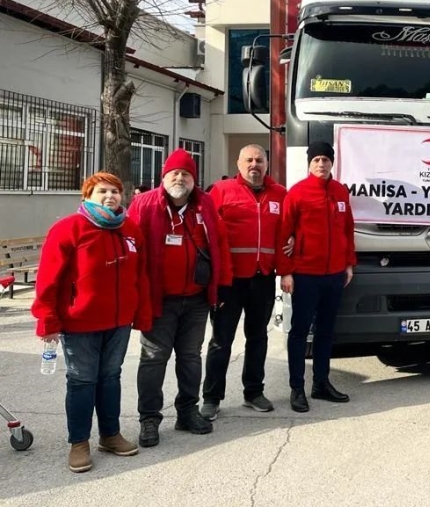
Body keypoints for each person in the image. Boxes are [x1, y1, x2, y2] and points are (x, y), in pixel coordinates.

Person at [31, 172, 152, 473]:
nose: (110, 196)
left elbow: (141, 275)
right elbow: (48, 280)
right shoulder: (68, 229)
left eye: (115, 191)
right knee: (83, 381)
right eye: (102, 191)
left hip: (119, 322)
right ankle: (79, 442)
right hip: (79, 322)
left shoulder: (130, 229)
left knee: (110, 377)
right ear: (87, 195)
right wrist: (47, 319)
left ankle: (110, 435)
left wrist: (142, 312)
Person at [129, 149, 230, 447]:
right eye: (174, 172)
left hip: (196, 300)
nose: (180, 178)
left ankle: (187, 410)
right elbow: (130, 246)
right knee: (153, 359)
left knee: (189, 358)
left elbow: (220, 245)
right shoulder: (144, 204)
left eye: (186, 173)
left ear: (194, 180)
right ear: (164, 176)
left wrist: (221, 285)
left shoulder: (205, 204)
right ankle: (149, 418)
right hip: (159, 299)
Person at [200, 144, 288, 420]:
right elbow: (204, 231)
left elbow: (289, 229)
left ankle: (253, 392)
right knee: (221, 341)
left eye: (259, 160)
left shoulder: (280, 195)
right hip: (230, 280)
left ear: (266, 164)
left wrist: (294, 238)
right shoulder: (221, 192)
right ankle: (212, 398)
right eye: (249, 160)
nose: (254, 165)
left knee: (258, 337)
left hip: (262, 279)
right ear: (239, 164)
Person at [279, 141, 356, 413]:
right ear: (309, 164)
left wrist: (348, 264)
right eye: (316, 160)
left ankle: (321, 383)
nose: (321, 164)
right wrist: (286, 271)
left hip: (334, 274)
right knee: (300, 332)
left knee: (326, 331)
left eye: (325, 159)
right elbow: (283, 233)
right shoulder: (297, 193)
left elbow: (348, 230)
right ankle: (297, 388)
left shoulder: (340, 193)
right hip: (305, 275)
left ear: (332, 162)